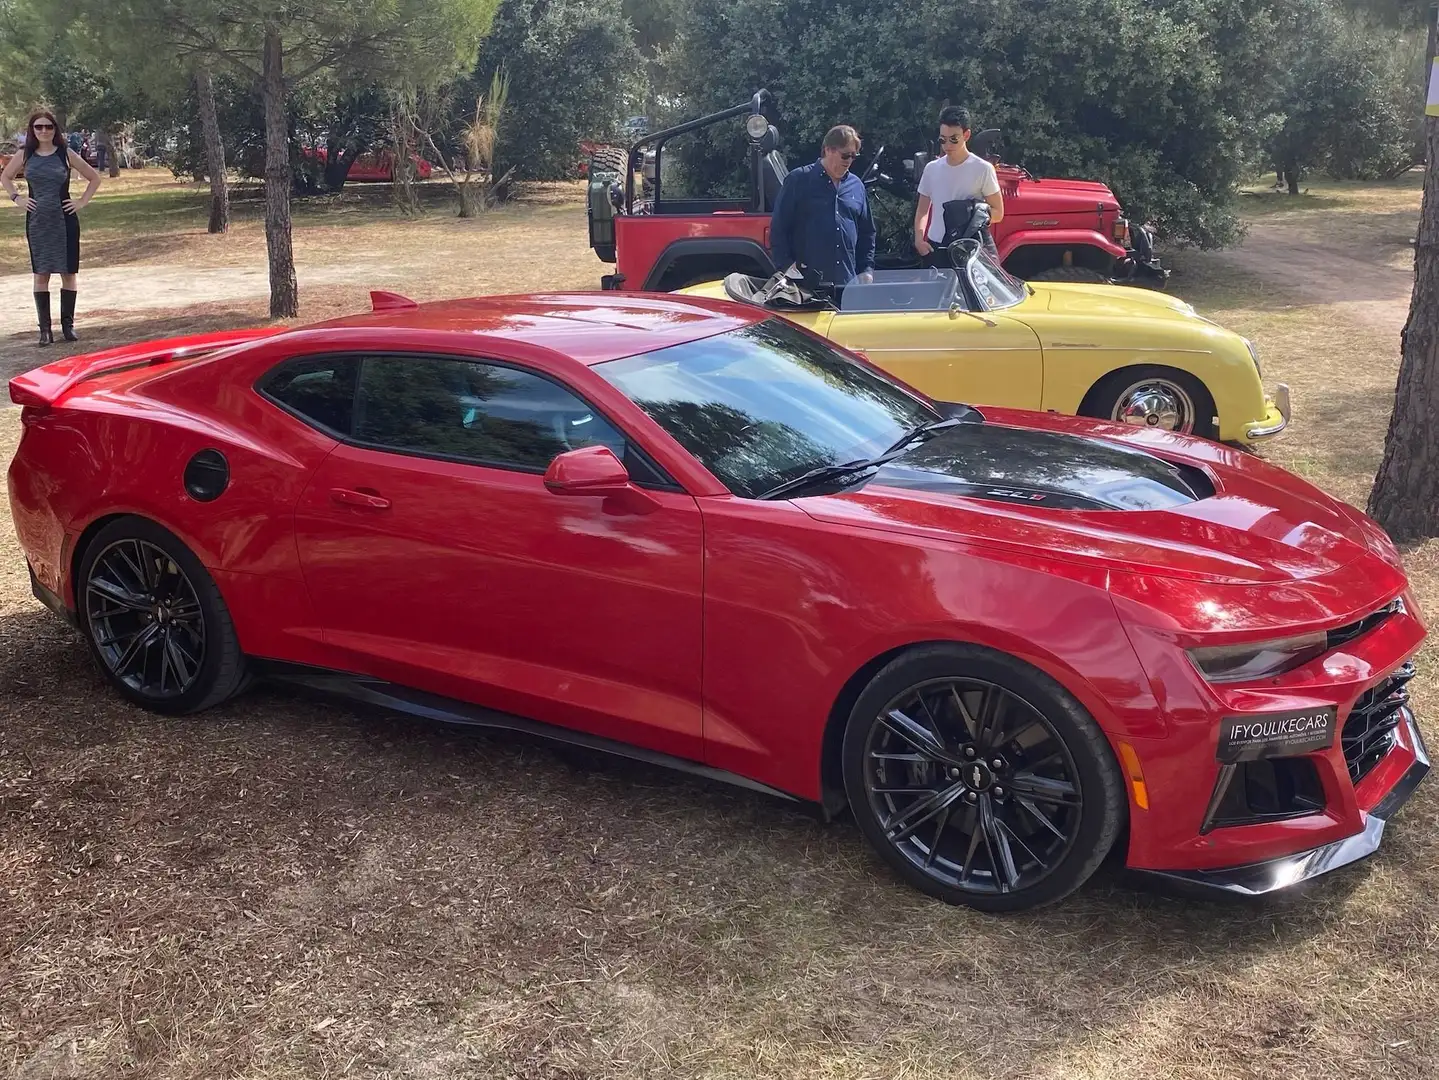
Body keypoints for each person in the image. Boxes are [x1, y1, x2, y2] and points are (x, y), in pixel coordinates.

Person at [1, 109, 103, 346]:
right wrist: (17, 198)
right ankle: (45, 331)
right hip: (38, 221)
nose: (44, 131)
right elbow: (5, 177)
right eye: (39, 127)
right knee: (41, 274)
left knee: (68, 273)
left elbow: (94, 178)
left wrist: (81, 202)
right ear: (32, 130)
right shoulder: (25, 154)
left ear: (55, 129)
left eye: (48, 126)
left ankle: (68, 327)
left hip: (64, 220)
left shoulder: (65, 154)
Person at [767, 124, 876, 286]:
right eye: (846, 155)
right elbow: (779, 229)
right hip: (807, 285)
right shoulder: (799, 180)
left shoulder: (856, 185)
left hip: (847, 285)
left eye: (854, 156)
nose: (850, 161)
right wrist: (787, 268)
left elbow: (867, 233)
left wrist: (866, 270)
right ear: (828, 150)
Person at [913, 105, 1004, 266]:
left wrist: (970, 214)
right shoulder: (931, 169)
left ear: (966, 135)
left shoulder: (983, 169)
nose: (947, 145)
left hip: (968, 249)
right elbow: (922, 211)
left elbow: (998, 212)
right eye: (942, 139)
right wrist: (919, 240)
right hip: (935, 247)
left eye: (954, 138)